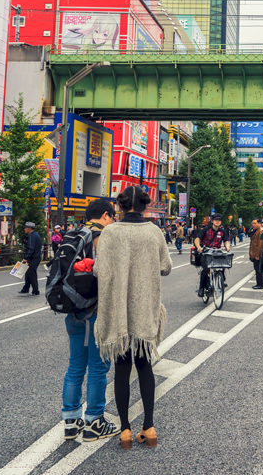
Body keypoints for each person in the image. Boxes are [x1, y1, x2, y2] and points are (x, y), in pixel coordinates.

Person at [94, 186, 172, 449]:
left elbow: (98, 269)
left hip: (117, 311)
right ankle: (149, 427)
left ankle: (125, 430)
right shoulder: (154, 231)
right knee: (145, 365)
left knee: (122, 369)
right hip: (144, 310)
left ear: (121, 206)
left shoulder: (110, 232)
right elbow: (166, 267)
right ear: (145, 206)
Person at [61, 199, 120, 443]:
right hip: (96, 310)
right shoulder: (101, 237)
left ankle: (71, 422)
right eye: (113, 216)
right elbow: (108, 275)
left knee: (75, 366)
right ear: (105, 215)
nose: (114, 221)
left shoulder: (72, 233)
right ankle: (95, 421)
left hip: (73, 309)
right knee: (98, 367)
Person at [193, 213, 230, 297]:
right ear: (212, 221)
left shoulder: (222, 231)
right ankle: (201, 287)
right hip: (206, 252)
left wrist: (227, 246)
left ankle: (221, 280)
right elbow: (197, 239)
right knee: (206, 269)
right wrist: (198, 247)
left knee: (223, 263)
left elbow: (226, 241)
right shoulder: (206, 230)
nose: (217, 222)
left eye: (219, 220)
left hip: (216, 252)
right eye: (216, 220)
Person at [18, 221, 43, 296]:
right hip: (35, 256)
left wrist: (26, 257)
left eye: (25, 228)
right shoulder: (35, 235)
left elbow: (30, 248)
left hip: (33, 257)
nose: (24, 229)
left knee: (32, 273)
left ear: (29, 228)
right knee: (28, 272)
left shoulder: (31, 236)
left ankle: (35, 290)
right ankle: (26, 288)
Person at [249, 218, 263, 291]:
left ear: (259, 223)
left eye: (255, 223)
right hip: (255, 253)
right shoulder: (256, 231)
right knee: (257, 269)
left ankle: (260, 284)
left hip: (257, 254)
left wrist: (258, 255)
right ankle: (259, 283)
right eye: (252, 223)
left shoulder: (260, 231)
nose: (253, 225)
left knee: (258, 270)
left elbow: (260, 244)